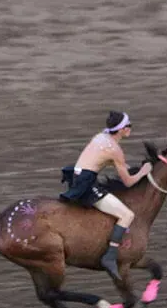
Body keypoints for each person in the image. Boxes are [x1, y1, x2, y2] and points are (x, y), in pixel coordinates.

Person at [60, 110, 153, 277]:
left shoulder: (100, 136)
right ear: (121, 129)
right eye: (128, 125)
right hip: (86, 183)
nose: (130, 127)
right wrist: (143, 172)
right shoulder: (115, 150)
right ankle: (109, 257)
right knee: (127, 215)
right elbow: (128, 182)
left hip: (78, 176)